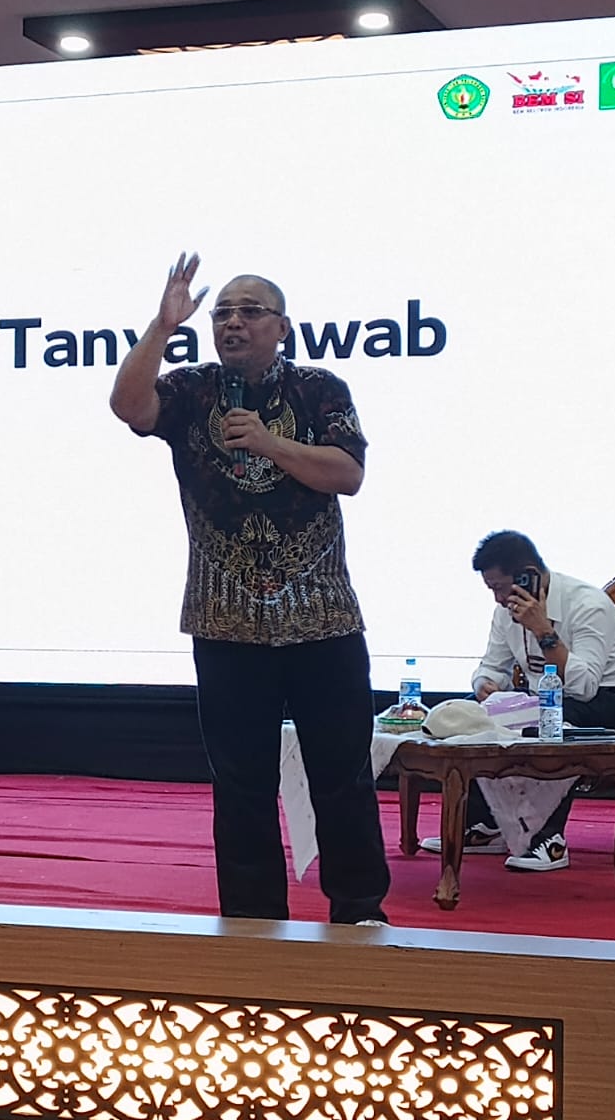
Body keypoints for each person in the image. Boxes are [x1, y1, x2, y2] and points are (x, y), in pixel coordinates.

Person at [109, 251, 390, 925]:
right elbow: (128, 405)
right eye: (222, 314)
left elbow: (347, 474)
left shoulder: (320, 389)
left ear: (282, 327)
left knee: (342, 773)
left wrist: (269, 444)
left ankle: (358, 908)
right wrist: (162, 326)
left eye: (250, 312)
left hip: (321, 615)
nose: (232, 323)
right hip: (225, 617)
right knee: (241, 784)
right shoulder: (191, 390)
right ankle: (253, 919)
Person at [462, 530, 615, 871]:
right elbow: (492, 665)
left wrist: (543, 630)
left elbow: (584, 686)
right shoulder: (505, 611)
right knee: (469, 713)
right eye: (491, 590)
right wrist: (486, 684)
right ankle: (488, 827)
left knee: (552, 720)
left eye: (500, 588)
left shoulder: (588, 604)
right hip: (549, 699)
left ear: (527, 575)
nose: (498, 599)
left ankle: (548, 840)